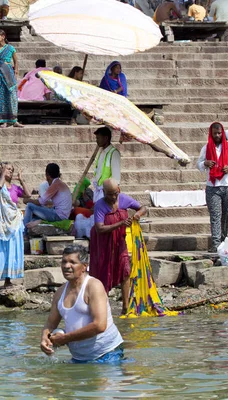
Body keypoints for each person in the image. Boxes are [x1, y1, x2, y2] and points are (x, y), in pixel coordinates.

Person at [40, 245, 124, 363]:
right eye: (64, 262)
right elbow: (50, 323)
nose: (66, 266)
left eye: (72, 262)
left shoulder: (93, 286)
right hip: (79, 358)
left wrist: (65, 338)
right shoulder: (60, 292)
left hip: (107, 354)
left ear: (84, 266)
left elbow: (100, 325)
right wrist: (45, 337)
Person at [90, 179, 146, 315]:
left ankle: (125, 307)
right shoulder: (100, 205)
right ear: (103, 193)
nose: (113, 197)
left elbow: (143, 207)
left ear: (119, 190)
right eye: (109, 194)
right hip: (103, 244)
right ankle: (103, 308)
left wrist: (138, 214)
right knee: (103, 272)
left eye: (115, 193)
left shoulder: (124, 199)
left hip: (119, 242)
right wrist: (120, 223)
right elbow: (99, 228)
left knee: (125, 271)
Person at [0, 162, 31, 289]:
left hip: (14, 222)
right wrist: (2, 174)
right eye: (7, 169)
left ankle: (8, 279)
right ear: (1, 170)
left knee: (12, 249)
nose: (9, 171)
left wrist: (21, 180)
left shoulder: (15, 187)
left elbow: (27, 195)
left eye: (11, 170)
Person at [197, 122, 228, 252]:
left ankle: (223, 241)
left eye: (219, 133)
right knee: (215, 216)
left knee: (226, 215)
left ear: (222, 133)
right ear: (211, 134)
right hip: (212, 186)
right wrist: (205, 163)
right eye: (215, 134)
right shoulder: (206, 148)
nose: (217, 136)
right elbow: (198, 164)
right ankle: (216, 244)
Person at [0, 30, 23, 128]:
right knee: (2, 97)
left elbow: (16, 61)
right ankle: (4, 120)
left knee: (12, 97)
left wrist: (16, 71)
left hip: (9, 75)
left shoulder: (10, 48)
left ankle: (14, 120)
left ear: (3, 36)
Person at [23, 163, 72, 230]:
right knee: (34, 218)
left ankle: (24, 233)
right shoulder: (61, 183)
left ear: (47, 175)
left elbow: (41, 202)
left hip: (58, 216)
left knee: (29, 205)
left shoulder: (55, 185)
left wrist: (28, 200)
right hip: (62, 214)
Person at [92, 127, 121, 203]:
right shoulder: (101, 152)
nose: (96, 140)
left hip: (107, 192)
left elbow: (116, 178)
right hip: (99, 190)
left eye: (98, 138)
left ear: (106, 138)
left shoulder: (114, 153)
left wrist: (111, 194)